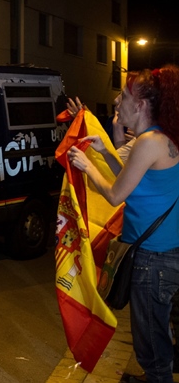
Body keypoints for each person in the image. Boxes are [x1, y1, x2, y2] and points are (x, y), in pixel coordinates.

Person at [68, 65, 179, 383]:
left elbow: (116, 195)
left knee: (151, 347)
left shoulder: (149, 142)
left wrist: (88, 165)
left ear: (141, 104)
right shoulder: (159, 137)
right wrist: (107, 152)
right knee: (155, 334)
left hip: (152, 260)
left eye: (125, 97)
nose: (118, 103)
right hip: (162, 255)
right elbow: (136, 183)